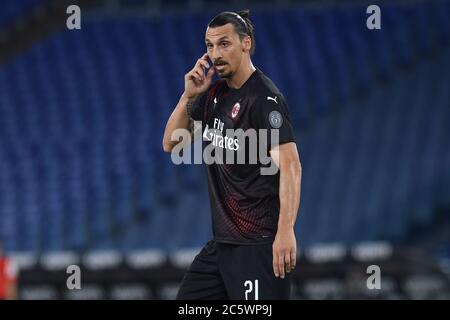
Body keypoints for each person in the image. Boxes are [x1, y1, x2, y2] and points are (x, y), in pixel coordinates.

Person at [162, 10, 302, 300]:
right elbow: (172, 144)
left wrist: (286, 231)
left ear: (246, 43)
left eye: (224, 44)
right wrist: (188, 96)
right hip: (222, 246)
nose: (215, 53)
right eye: (209, 45)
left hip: (258, 247)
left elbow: (291, 167)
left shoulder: (264, 99)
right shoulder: (213, 94)